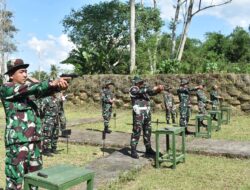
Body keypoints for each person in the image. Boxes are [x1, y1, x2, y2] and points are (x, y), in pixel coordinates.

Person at [0, 58, 68, 190]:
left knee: (35, 180)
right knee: (15, 181)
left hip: (35, 142)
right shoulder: (6, 89)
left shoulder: (27, 93)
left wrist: (57, 87)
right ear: (11, 75)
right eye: (21, 72)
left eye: (26, 71)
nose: (25, 75)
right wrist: (51, 82)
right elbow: (31, 88)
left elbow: (40, 91)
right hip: (18, 144)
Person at [129, 76, 164, 159]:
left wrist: (158, 90)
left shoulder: (144, 89)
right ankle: (133, 150)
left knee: (147, 131)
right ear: (136, 82)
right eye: (140, 82)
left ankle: (148, 149)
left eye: (142, 82)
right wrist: (154, 88)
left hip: (146, 113)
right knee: (137, 131)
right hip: (139, 114)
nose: (142, 83)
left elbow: (151, 93)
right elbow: (141, 92)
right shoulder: (133, 89)